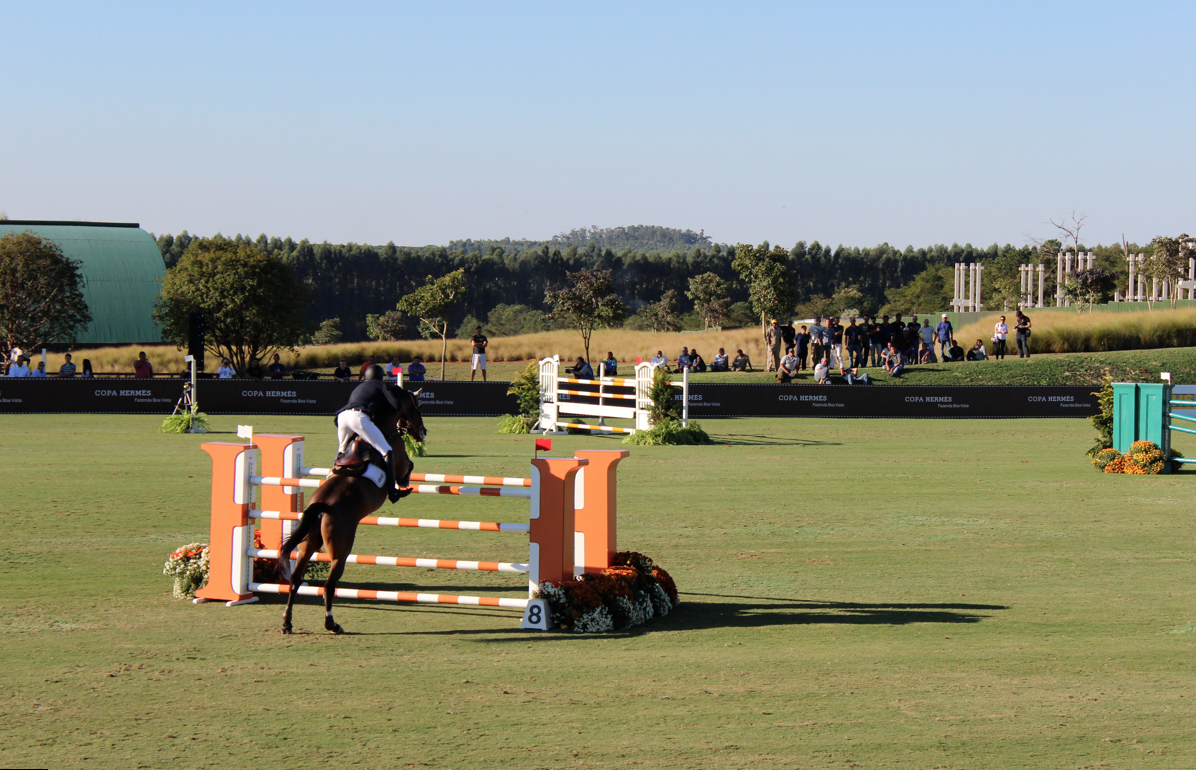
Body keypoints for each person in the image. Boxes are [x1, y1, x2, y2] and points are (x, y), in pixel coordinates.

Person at [336, 364, 406, 504]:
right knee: (387, 451)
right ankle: (392, 492)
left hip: (342, 416)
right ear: (381, 376)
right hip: (359, 418)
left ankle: (331, 475)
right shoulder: (382, 385)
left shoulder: (360, 386)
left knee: (342, 450)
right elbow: (396, 405)